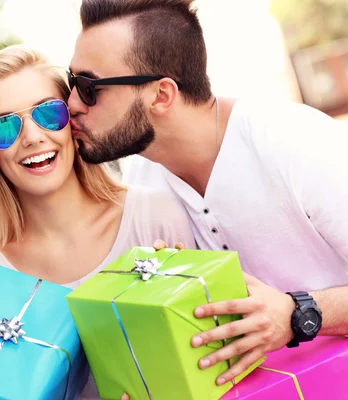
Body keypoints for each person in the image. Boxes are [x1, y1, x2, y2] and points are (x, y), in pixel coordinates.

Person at [67, 0, 348, 388]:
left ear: (162, 95)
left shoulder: (293, 141)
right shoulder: (143, 177)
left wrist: (300, 313)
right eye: (71, 83)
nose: (71, 105)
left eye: (88, 87)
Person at [0, 44, 194, 399]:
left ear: (73, 120)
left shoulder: (156, 215)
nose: (32, 137)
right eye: (4, 127)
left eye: (48, 113)